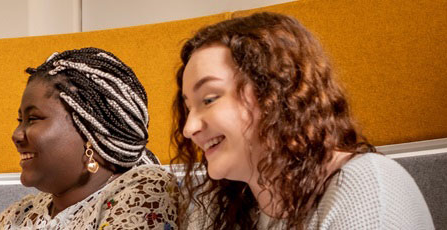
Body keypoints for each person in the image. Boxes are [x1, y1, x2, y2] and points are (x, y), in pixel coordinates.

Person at [172, 12, 433, 229]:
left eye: (209, 99)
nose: (189, 128)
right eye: (188, 107)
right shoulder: (223, 204)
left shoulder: (365, 187)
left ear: (274, 94)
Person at [0, 47, 178, 230]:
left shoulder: (145, 192)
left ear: (90, 130)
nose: (16, 134)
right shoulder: (18, 215)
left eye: (33, 119)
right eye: (20, 120)